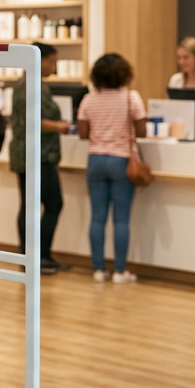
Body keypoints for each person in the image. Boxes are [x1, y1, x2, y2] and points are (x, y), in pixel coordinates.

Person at [77, 53, 148, 284]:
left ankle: (98, 269)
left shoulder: (89, 100)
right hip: (121, 161)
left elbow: (83, 134)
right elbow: (142, 131)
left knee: (97, 217)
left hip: (95, 160)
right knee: (121, 219)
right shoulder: (131, 98)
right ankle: (119, 271)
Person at [10, 42, 71, 274]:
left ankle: (33, 255)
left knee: (31, 205)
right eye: (52, 61)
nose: (53, 67)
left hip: (31, 154)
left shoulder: (29, 84)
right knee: (52, 203)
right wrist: (60, 126)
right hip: (37, 155)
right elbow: (31, 121)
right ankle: (39, 255)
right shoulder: (31, 85)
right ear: (40, 59)